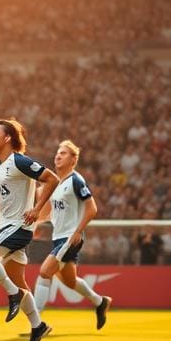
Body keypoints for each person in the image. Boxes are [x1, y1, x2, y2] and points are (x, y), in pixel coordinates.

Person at [0, 118, 59, 341]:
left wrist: (37, 209)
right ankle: (38, 325)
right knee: (21, 283)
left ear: (7, 138)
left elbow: (52, 179)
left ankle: (12, 295)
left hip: (19, 227)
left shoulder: (19, 161)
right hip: (7, 226)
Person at [33, 140, 112, 329]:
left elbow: (92, 209)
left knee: (45, 272)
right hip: (59, 238)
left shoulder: (76, 180)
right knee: (68, 281)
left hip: (70, 237)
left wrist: (77, 231)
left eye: (64, 153)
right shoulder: (55, 184)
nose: (58, 156)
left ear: (73, 159)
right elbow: (49, 212)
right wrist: (35, 222)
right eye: (58, 153)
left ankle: (36, 324)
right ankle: (100, 302)